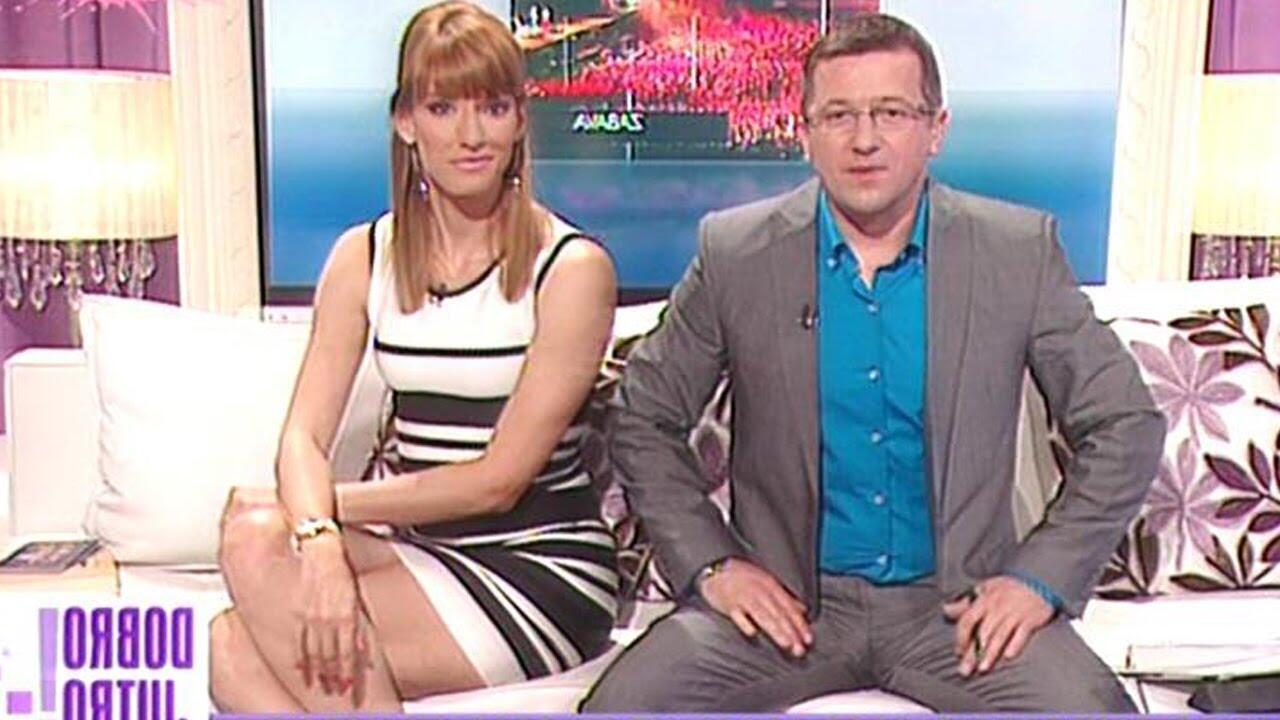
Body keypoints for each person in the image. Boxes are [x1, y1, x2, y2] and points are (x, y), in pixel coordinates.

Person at [582, 13, 1164, 714]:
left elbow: (1125, 423)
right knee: (623, 705)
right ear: (805, 132)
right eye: (839, 116)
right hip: (787, 610)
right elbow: (643, 418)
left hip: (956, 613)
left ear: (936, 129)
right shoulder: (737, 254)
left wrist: (1037, 579)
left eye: (891, 113)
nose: (864, 140)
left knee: (1092, 710)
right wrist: (715, 564)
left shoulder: (1015, 252)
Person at [209, 2, 619, 712]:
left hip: (537, 567)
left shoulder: (572, 269)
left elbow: (497, 482)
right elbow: (302, 435)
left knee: (244, 619)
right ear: (405, 122)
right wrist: (318, 541)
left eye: (492, 108)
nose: (471, 135)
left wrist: (318, 513)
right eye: (442, 108)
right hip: (423, 550)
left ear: (520, 121)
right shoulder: (364, 256)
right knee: (235, 606)